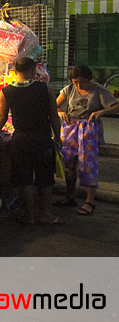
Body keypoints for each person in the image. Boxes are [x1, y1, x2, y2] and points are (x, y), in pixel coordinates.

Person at [0, 57, 62, 225]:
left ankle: (28, 215)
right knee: (45, 177)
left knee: (24, 178)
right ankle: (45, 214)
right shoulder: (44, 88)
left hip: (21, 140)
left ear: (15, 72)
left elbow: (1, 117)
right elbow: (54, 115)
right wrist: (58, 138)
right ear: (33, 71)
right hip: (42, 139)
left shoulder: (6, 91)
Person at [54, 65, 119, 215]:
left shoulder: (98, 90)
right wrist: (60, 113)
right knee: (69, 163)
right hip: (70, 129)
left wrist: (101, 112)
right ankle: (69, 196)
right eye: (75, 82)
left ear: (89, 79)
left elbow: (116, 106)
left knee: (88, 165)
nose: (79, 85)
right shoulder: (69, 90)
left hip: (88, 131)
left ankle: (89, 201)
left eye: (82, 82)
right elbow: (54, 105)